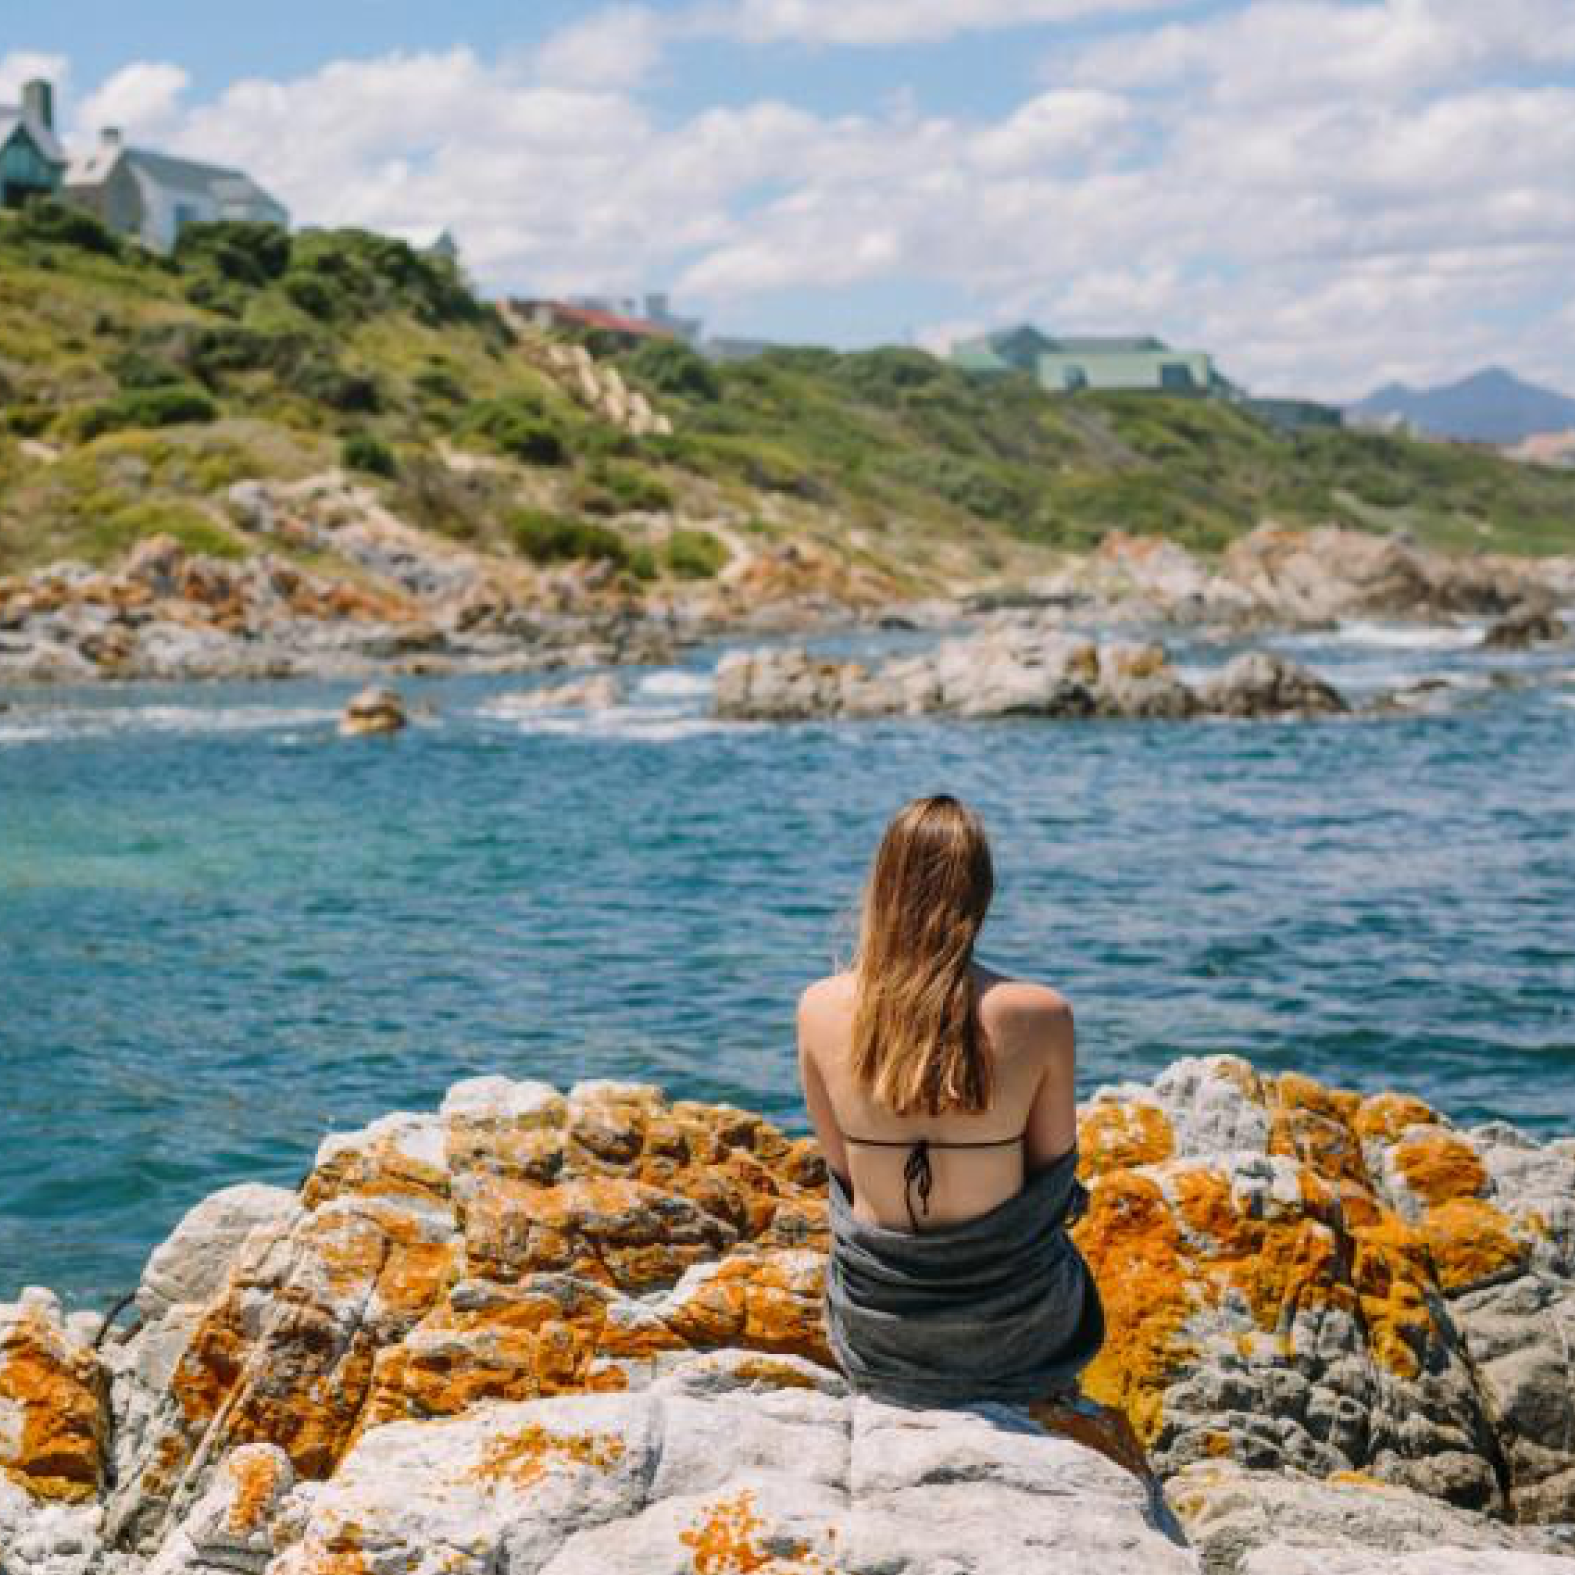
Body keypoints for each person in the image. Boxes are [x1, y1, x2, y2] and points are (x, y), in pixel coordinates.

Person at [796, 793, 1105, 1408]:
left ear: (883, 885)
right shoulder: (1040, 1013)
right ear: (980, 894)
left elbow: (842, 1173)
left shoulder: (819, 1007)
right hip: (1015, 1333)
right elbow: (1052, 1177)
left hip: (878, 1335)